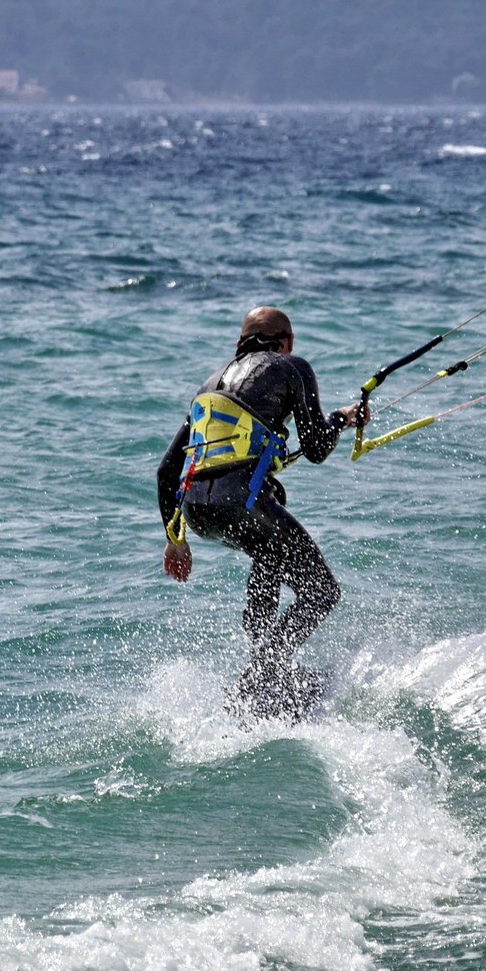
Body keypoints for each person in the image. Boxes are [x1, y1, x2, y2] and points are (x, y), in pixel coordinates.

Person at [157, 307, 365, 720]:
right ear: (286, 341)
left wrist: (175, 540)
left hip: (198, 513)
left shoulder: (208, 386)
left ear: (240, 344)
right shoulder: (292, 367)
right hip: (243, 503)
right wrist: (342, 419)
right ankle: (263, 674)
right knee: (321, 592)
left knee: (270, 555)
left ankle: (266, 673)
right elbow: (318, 448)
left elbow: (166, 470)